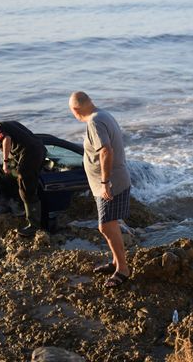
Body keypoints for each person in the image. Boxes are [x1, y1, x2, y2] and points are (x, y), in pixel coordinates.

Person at [69, 91, 132, 288]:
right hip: (107, 183)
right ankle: (115, 262)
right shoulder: (104, 114)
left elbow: (106, 150)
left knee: (105, 226)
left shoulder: (95, 122)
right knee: (110, 225)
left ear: (75, 110)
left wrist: (105, 182)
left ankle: (122, 269)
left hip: (110, 184)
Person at [0, 117, 46, 237]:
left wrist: (5, 162)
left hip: (29, 156)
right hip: (39, 151)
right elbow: (29, 138)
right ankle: (35, 220)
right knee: (29, 187)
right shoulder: (9, 123)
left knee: (26, 190)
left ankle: (33, 226)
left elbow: (6, 139)